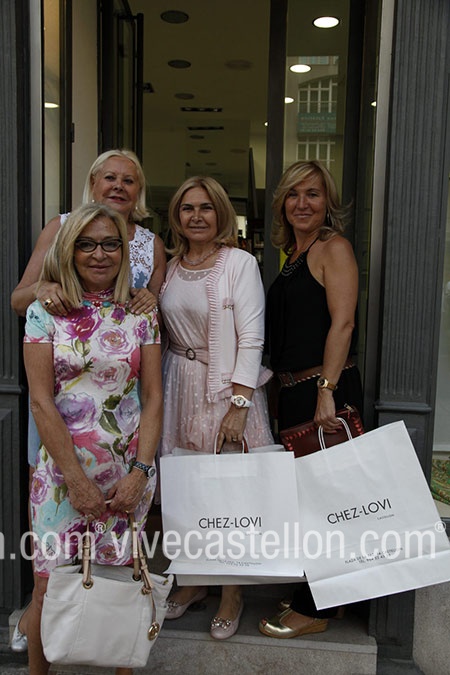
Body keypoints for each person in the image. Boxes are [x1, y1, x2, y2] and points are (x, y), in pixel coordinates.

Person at [10, 149, 166, 651]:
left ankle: (101, 648)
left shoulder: (149, 245)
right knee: (51, 572)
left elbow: (149, 305)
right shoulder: (60, 229)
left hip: (122, 426)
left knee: (119, 577)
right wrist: (48, 287)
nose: (119, 186)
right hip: (63, 421)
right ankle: (43, 632)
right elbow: (20, 299)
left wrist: (140, 469)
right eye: (109, 178)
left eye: (129, 180)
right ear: (92, 183)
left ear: (139, 191)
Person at [158, 176, 274, 640]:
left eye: (206, 207)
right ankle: (194, 581)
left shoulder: (239, 263)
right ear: (176, 217)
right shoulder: (170, 267)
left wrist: (240, 404)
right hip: (177, 385)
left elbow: (252, 337)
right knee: (188, 489)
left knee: (231, 494)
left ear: (221, 213)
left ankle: (232, 591)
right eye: (187, 208)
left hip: (226, 390)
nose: (197, 216)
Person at [259, 160, 363, 639]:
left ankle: (314, 608)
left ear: (328, 203)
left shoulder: (332, 247)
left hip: (323, 390)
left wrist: (326, 392)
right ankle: (327, 595)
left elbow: (343, 323)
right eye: (293, 194)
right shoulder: (294, 254)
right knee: (310, 500)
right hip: (297, 392)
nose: (302, 203)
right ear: (282, 202)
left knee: (326, 502)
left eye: (313, 194)